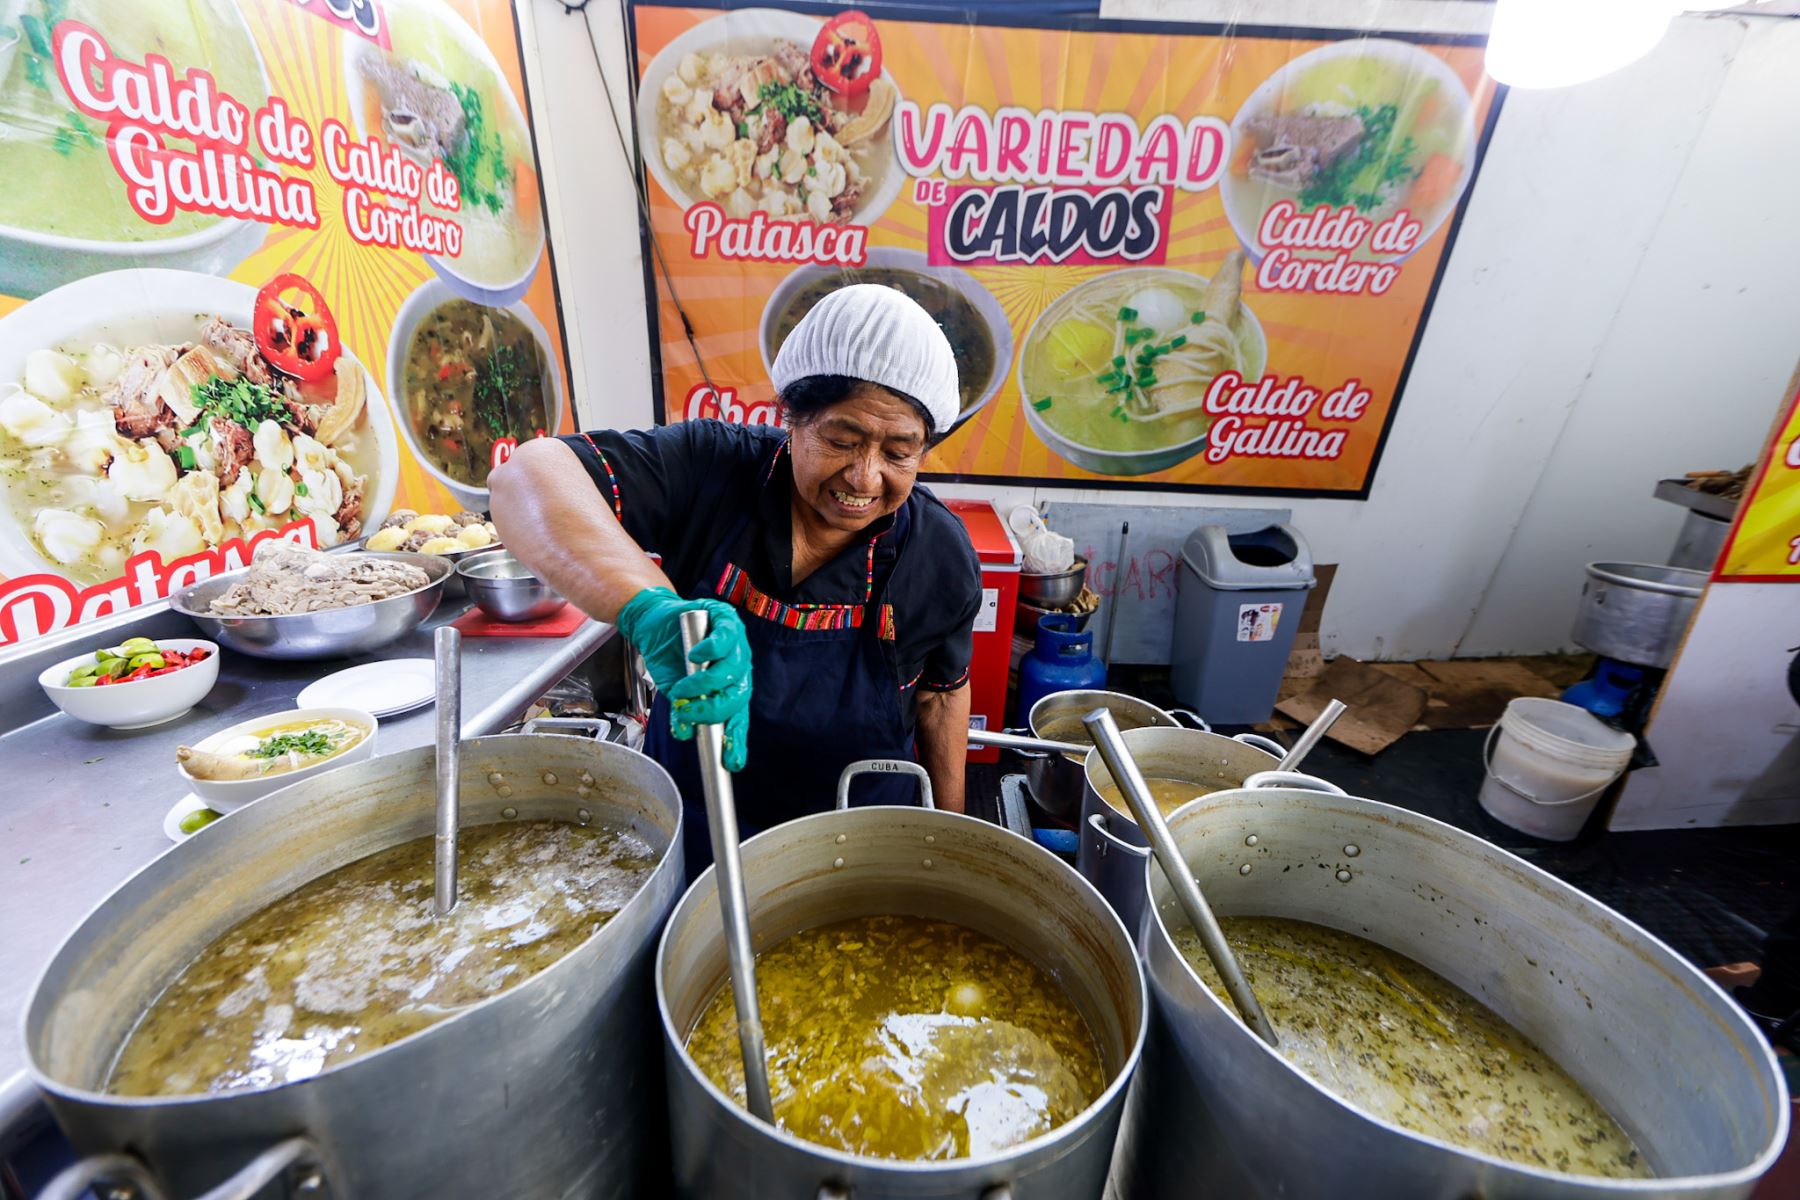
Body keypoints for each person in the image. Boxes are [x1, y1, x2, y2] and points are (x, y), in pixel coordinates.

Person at [491, 285, 982, 873]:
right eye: (841, 440)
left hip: (861, 842)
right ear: (791, 418)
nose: (864, 477)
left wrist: (952, 844)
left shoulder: (939, 553)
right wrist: (651, 610)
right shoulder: (713, 469)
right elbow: (527, 476)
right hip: (700, 826)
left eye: (899, 452)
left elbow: (941, 700)